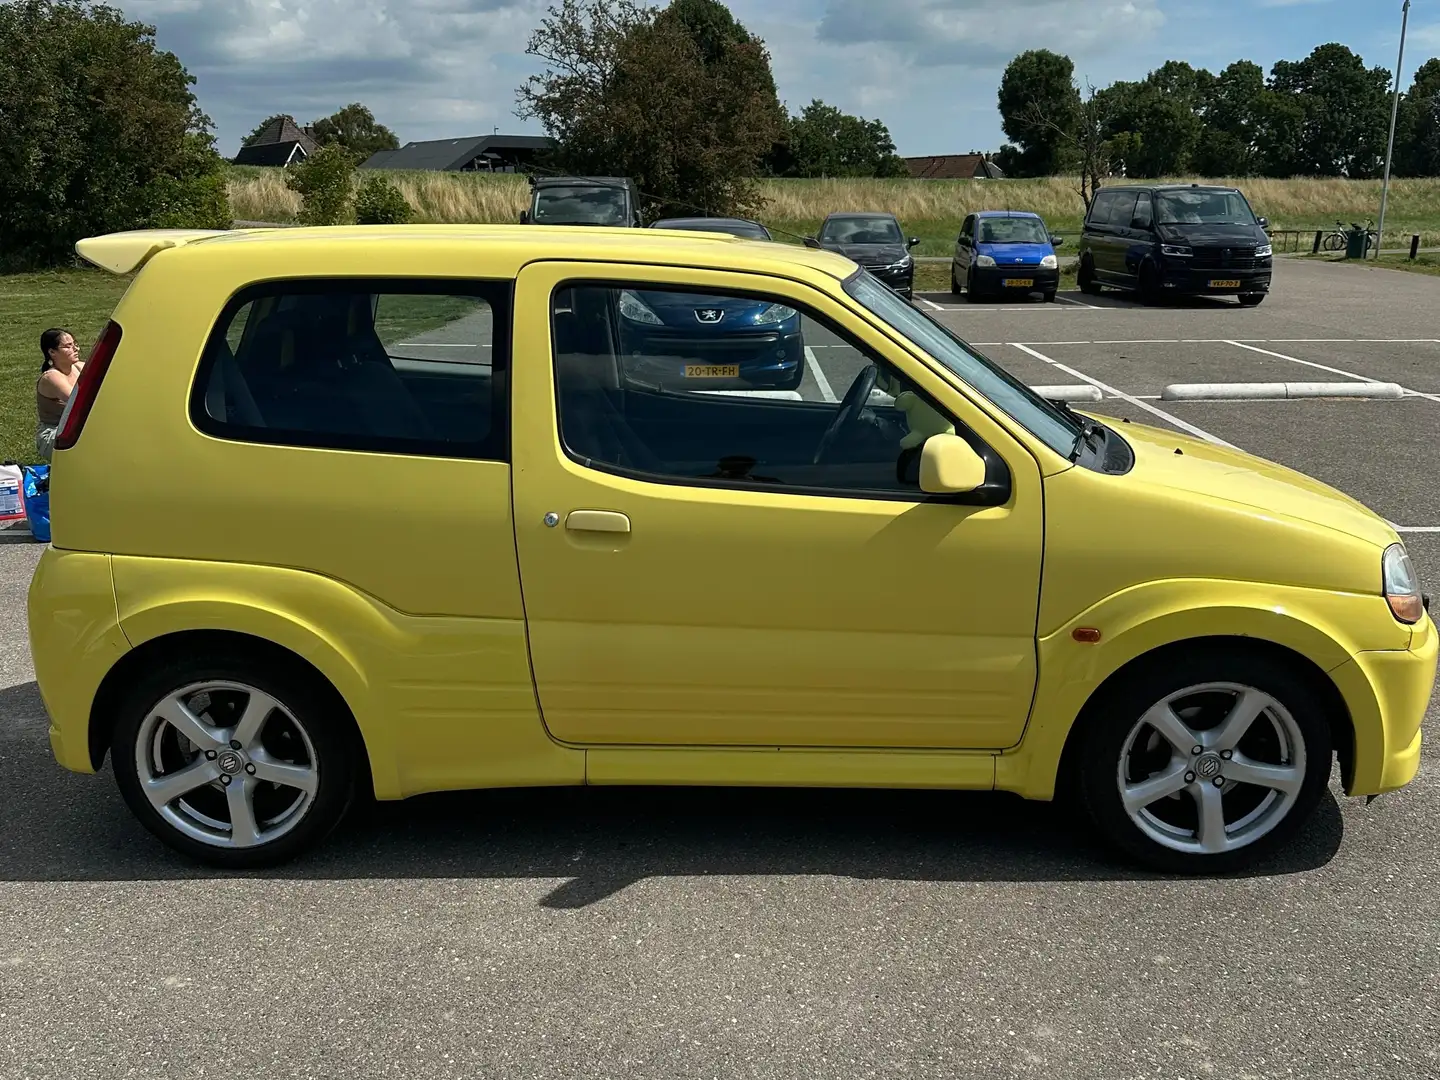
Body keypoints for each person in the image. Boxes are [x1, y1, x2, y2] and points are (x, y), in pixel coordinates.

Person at [36, 328, 83, 462]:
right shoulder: (51, 377)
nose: (75, 349)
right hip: (53, 434)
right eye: (68, 346)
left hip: (75, 427)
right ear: (52, 352)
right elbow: (79, 402)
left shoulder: (78, 367)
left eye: (74, 344)